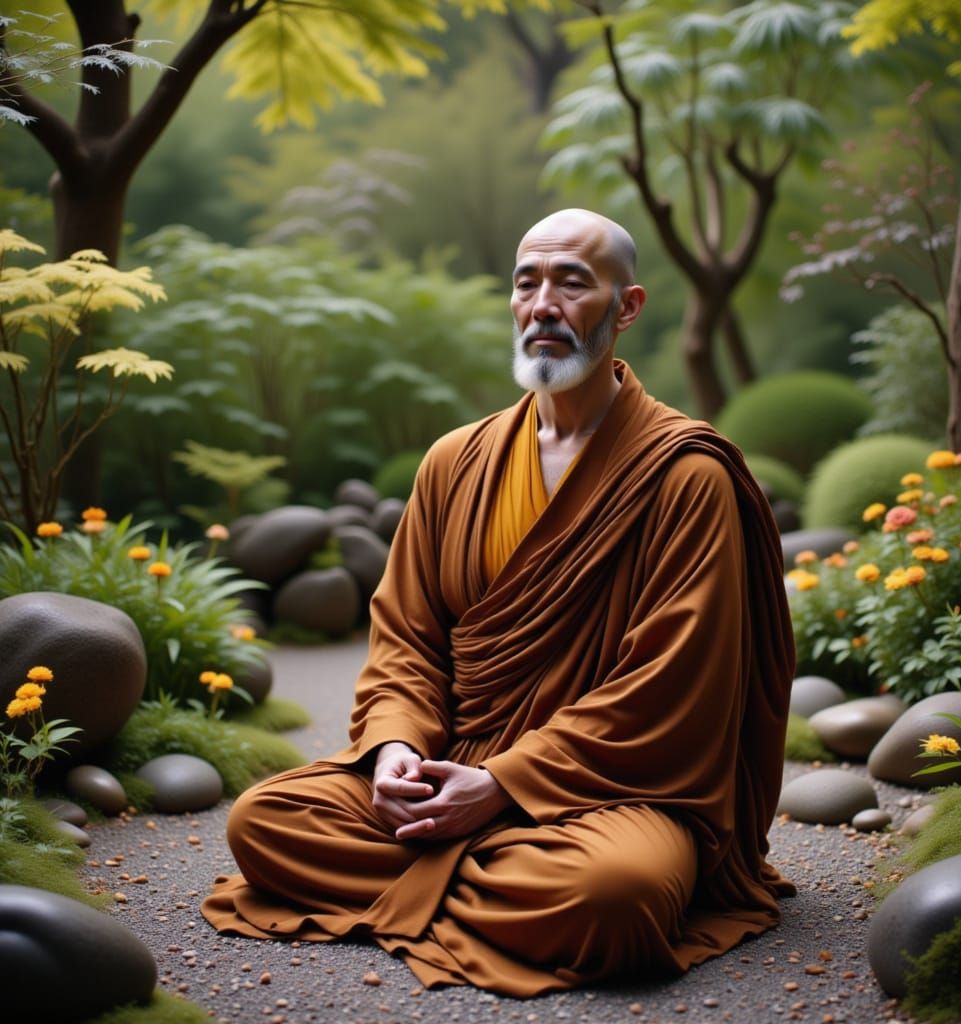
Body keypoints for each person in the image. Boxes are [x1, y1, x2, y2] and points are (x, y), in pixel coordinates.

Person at [202, 208, 795, 996]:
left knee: (615, 895)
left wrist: (503, 786)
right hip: (452, 759)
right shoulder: (456, 461)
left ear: (627, 307)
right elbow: (407, 640)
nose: (543, 304)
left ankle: (441, 868)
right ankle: (490, 879)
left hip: (607, 788)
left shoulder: (686, 476)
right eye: (526, 283)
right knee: (261, 821)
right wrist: (396, 748)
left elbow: (675, 685)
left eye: (571, 283)